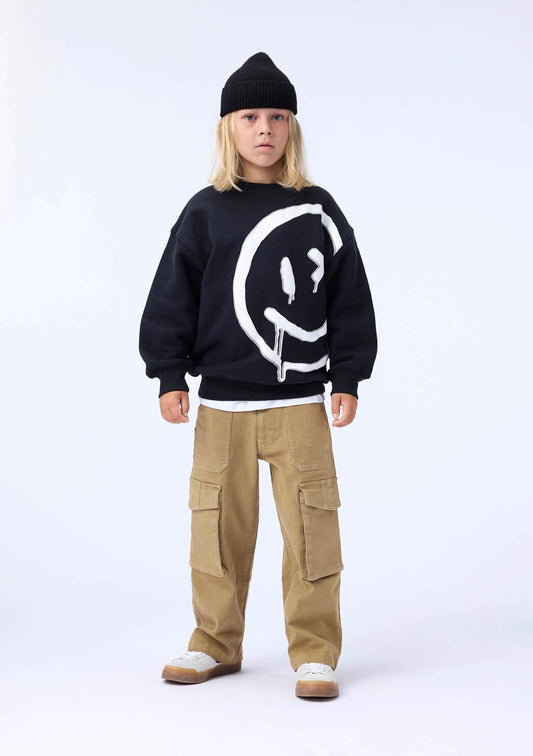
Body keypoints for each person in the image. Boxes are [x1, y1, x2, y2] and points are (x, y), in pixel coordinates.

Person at [138, 52, 378, 699]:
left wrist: (348, 376)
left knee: (311, 530)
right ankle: (214, 642)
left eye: (277, 116)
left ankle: (315, 651)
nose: (264, 128)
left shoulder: (317, 209)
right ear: (229, 128)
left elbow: (350, 297)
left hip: (300, 404)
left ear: (292, 127)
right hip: (221, 408)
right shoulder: (205, 211)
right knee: (216, 530)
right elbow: (172, 295)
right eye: (250, 116)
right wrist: (168, 373)